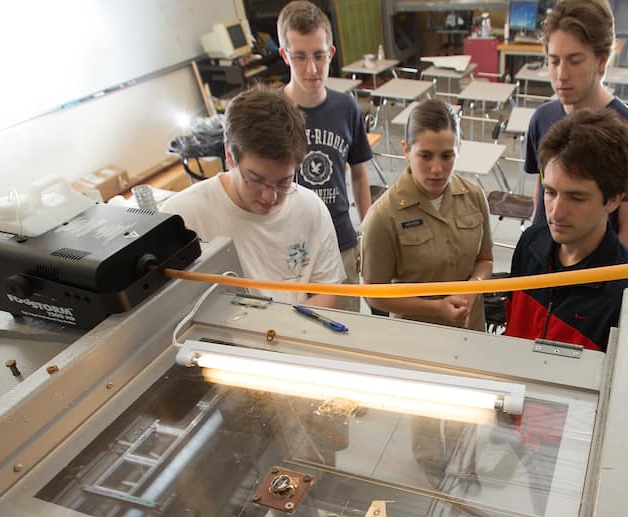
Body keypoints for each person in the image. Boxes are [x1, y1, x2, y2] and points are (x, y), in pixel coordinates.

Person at [162, 89, 344, 307]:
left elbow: (329, 290)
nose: (271, 196)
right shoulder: (183, 217)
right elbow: (170, 310)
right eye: (256, 179)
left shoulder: (310, 208)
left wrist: (282, 329)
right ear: (230, 156)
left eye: (284, 181)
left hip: (295, 333)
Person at [504, 108, 628, 352]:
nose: (556, 212)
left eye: (576, 197)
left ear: (614, 199)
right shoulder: (529, 245)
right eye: (551, 192)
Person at [523, 0, 628, 251]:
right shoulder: (542, 119)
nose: (562, 74)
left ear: (601, 61)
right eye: (554, 61)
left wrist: (595, 284)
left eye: (575, 61)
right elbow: (541, 197)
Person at [360, 98, 494, 331]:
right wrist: (437, 308)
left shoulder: (474, 196)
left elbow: (485, 260)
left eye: (446, 156)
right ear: (406, 150)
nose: (437, 169)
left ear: (459, 150)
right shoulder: (383, 216)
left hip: (470, 331)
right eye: (425, 156)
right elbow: (373, 293)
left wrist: (473, 288)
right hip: (416, 337)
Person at [278, 0, 372, 311]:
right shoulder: (271, 112)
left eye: (319, 55)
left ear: (331, 53)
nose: (312, 69)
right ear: (284, 56)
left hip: (340, 238)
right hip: (288, 243)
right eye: (300, 57)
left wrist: (365, 231)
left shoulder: (346, 108)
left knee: (346, 327)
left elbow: (358, 172)